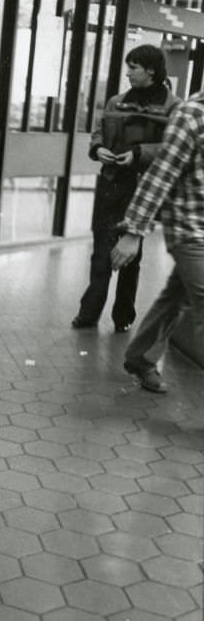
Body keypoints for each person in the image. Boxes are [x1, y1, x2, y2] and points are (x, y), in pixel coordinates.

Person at [72, 45, 180, 333]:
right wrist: (98, 149)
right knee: (101, 251)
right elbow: (99, 129)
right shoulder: (117, 102)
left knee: (132, 256)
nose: (128, 72)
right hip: (111, 182)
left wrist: (138, 152)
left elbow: (172, 147)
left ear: (151, 70)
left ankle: (123, 316)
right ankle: (89, 313)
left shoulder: (173, 107)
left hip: (142, 188)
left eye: (134, 67)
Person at [111, 88, 204, 393]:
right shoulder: (192, 115)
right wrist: (133, 230)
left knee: (176, 296)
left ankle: (140, 357)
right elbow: (160, 174)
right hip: (190, 229)